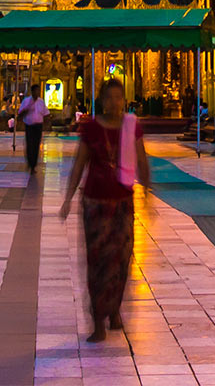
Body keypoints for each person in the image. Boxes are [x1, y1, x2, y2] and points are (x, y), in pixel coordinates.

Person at [59, 79, 148, 343]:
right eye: (109, 98)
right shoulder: (92, 128)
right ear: (101, 100)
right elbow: (79, 164)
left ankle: (115, 310)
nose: (114, 103)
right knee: (98, 260)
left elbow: (142, 159)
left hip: (122, 202)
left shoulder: (132, 126)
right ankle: (98, 319)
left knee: (121, 258)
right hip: (95, 203)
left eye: (119, 97)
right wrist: (67, 198)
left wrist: (150, 193)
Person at [20, 86, 48, 173]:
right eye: (35, 91)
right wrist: (27, 109)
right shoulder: (26, 101)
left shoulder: (41, 101)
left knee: (36, 145)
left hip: (38, 126)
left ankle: (33, 164)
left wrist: (47, 124)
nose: (37, 93)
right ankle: (30, 162)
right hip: (29, 125)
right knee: (30, 144)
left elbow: (45, 113)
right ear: (32, 92)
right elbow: (21, 113)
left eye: (38, 91)